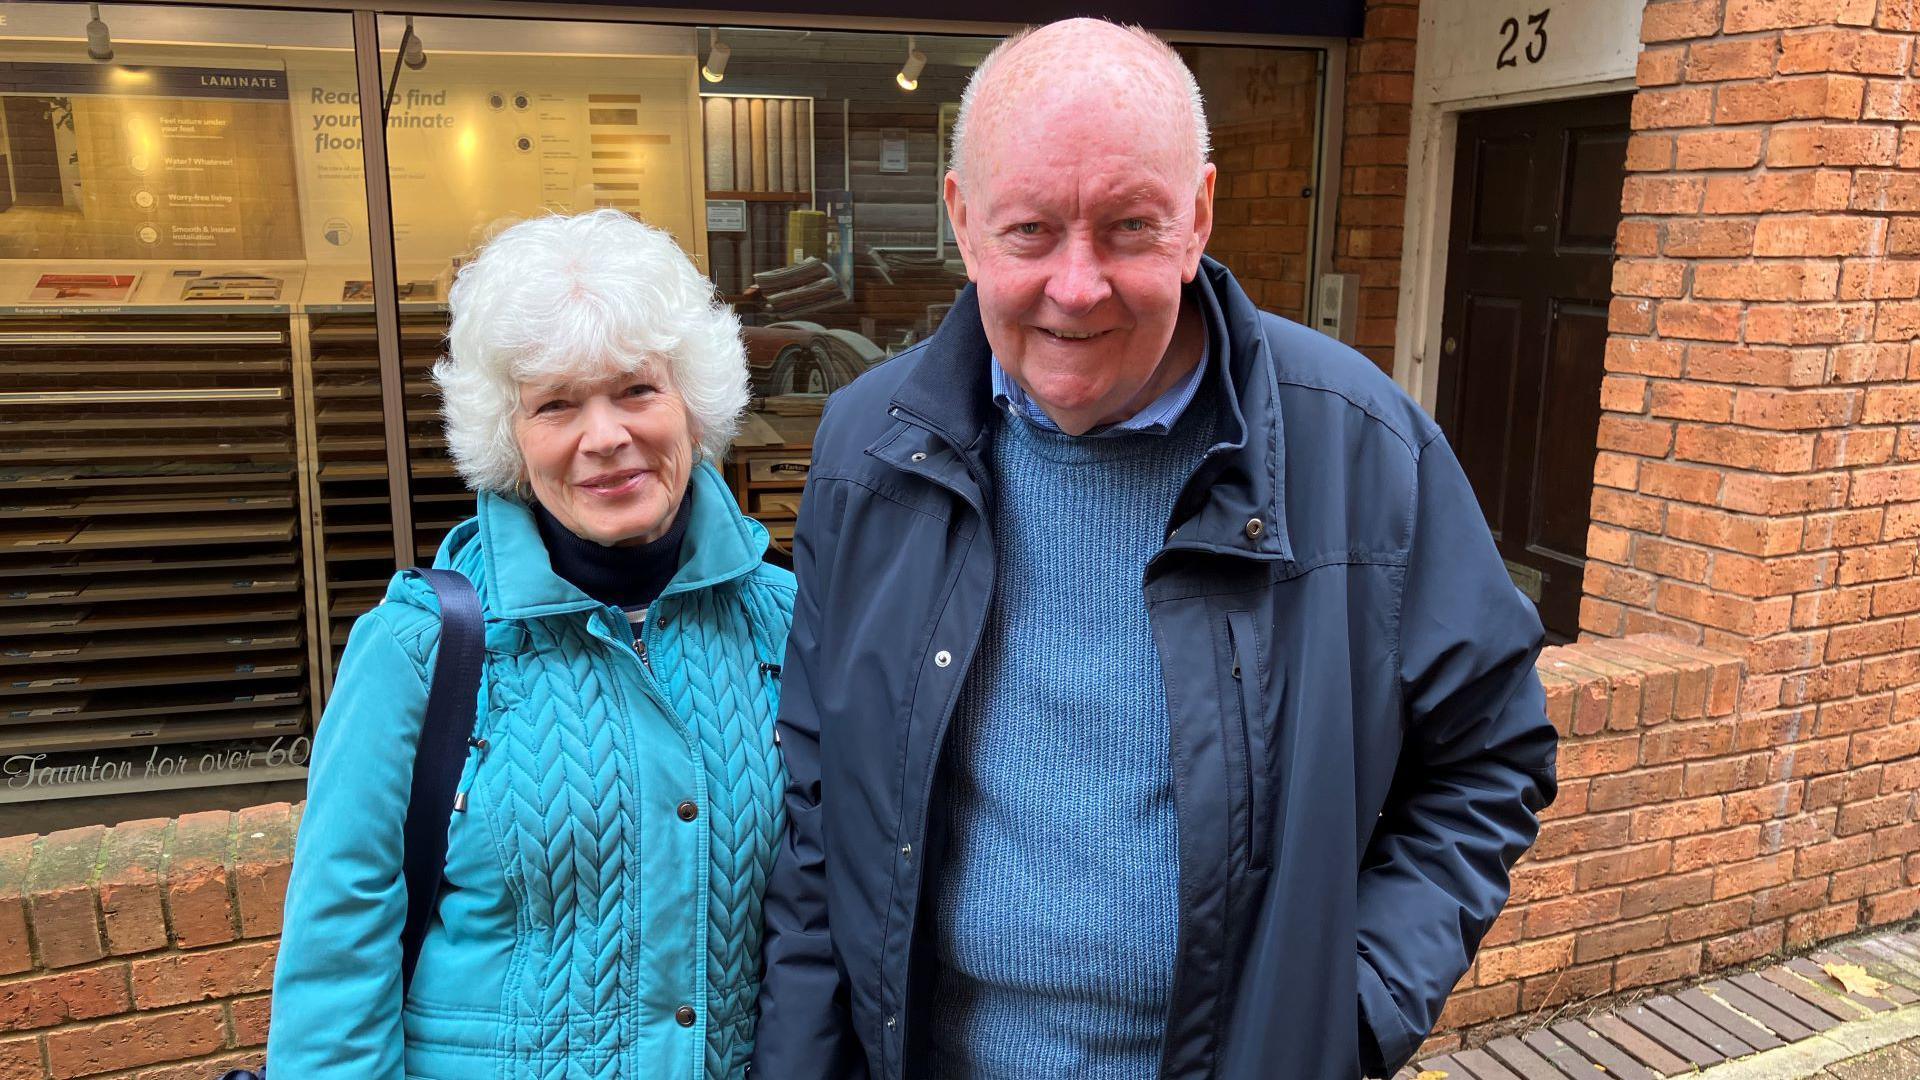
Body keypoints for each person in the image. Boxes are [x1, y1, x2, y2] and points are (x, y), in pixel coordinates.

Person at [753, 19, 1558, 1080]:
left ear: (1199, 218)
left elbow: (1489, 754)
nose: (1077, 286)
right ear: (963, 222)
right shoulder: (869, 450)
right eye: (1030, 230)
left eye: (1130, 227)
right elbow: (822, 804)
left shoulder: (1358, 450)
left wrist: (1349, 1014)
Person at [269, 210, 795, 1078]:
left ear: (694, 402)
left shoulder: (784, 623)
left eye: (636, 389)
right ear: (509, 436)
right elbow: (337, 961)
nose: (605, 437)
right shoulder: (419, 652)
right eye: (556, 403)